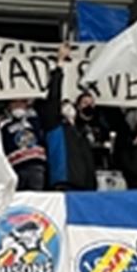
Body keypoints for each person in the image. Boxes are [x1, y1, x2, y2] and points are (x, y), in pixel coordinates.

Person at [41, 44, 97, 190]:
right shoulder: (54, 126)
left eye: (70, 103)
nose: (68, 106)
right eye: (64, 104)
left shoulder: (82, 132)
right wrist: (59, 65)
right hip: (63, 185)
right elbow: (53, 96)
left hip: (85, 189)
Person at [0, 98, 47, 190]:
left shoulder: (35, 117)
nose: (18, 105)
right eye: (15, 102)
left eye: (21, 102)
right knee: (19, 199)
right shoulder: (1, 123)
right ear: (9, 105)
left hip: (35, 165)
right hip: (15, 168)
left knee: (36, 197)